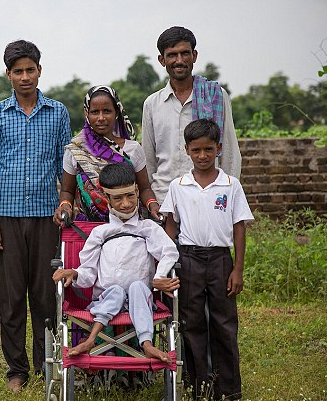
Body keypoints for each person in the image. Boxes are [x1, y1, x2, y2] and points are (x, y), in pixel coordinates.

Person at [0, 39, 71, 393]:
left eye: (29, 69)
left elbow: (67, 165)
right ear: (8, 75)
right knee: (11, 296)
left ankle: (45, 363)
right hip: (6, 216)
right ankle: (17, 369)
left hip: (48, 218)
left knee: (46, 295)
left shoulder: (58, 112)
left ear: (39, 70)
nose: (24, 77)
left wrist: (67, 202)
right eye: (17, 71)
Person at [160, 119, 254, 400]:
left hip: (220, 260)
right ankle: (198, 384)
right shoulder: (178, 185)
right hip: (188, 259)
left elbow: (239, 225)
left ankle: (228, 388)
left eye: (208, 149)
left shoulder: (230, 185)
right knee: (191, 322)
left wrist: (237, 268)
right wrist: (168, 264)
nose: (202, 156)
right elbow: (170, 226)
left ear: (219, 149)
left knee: (224, 322)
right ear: (187, 150)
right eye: (196, 150)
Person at [52, 162, 179, 361]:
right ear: (107, 199)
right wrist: (74, 273)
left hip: (140, 301)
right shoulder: (100, 233)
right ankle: (91, 339)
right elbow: (87, 275)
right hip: (107, 299)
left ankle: (146, 344)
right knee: (116, 291)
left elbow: (169, 252)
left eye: (130, 196)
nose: (126, 204)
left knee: (137, 287)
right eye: (118, 198)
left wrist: (159, 276)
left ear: (137, 192)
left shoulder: (147, 228)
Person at [142, 26, 242, 205]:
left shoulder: (216, 96)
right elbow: (148, 160)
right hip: (165, 199)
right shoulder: (152, 104)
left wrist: (228, 197)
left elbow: (229, 152)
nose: (179, 60)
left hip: (209, 197)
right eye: (172, 55)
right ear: (161, 60)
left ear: (194, 56)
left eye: (184, 53)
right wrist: (151, 201)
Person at [53, 85, 161, 225]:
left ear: (117, 112)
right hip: (89, 229)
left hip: (130, 227)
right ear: (86, 113)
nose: (101, 118)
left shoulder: (132, 150)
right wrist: (65, 206)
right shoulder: (75, 151)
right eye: (95, 112)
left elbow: (145, 188)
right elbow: (67, 190)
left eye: (107, 111)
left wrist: (153, 205)